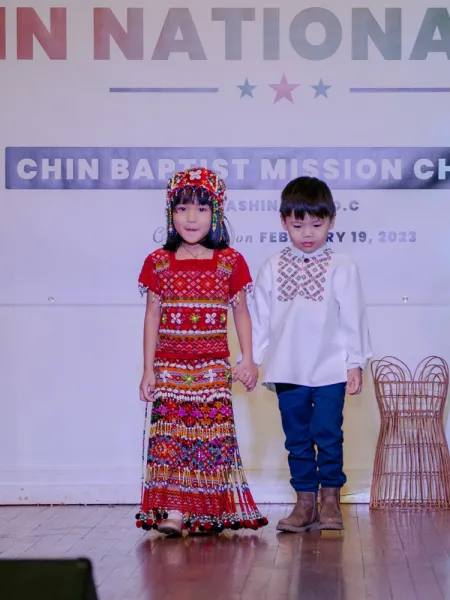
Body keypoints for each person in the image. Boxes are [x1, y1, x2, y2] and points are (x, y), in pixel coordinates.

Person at [135, 167, 267, 536]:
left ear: (216, 213)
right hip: (170, 368)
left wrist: (247, 358)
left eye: (201, 209)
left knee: (210, 441)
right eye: (182, 209)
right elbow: (152, 315)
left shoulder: (230, 261)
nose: (191, 218)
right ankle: (176, 512)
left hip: (212, 368)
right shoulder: (158, 262)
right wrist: (148, 369)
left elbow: (241, 312)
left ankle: (208, 513)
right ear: (171, 213)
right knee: (172, 440)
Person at [238, 176, 372, 532]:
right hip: (287, 369)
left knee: (327, 434)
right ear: (284, 222)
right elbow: (260, 319)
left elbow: (353, 317)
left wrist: (355, 363)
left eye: (317, 224)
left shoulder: (342, 265)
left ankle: (330, 501)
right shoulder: (271, 266)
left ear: (332, 220)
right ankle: (305, 503)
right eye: (298, 226)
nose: (308, 233)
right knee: (296, 438)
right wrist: (251, 359)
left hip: (330, 369)